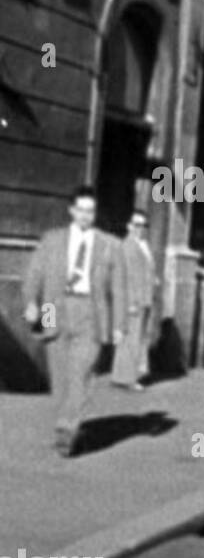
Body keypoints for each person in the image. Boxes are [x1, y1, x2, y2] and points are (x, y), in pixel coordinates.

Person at [21, 187, 126, 456]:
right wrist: (31, 303)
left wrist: (118, 325)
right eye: (80, 209)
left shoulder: (109, 245)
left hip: (90, 312)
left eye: (90, 211)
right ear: (71, 210)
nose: (85, 215)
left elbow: (119, 288)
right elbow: (35, 275)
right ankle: (63, 421)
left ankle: (67, 428)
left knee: (81, 372)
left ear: (95, 213)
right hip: (53, 308)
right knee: (58, 374)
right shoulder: (51, 240)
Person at [110, 209, 157, 390]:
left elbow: (144, 270)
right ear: (129, 226)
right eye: (137, 225)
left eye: (144, 225)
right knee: (131, 339)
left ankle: (125, 374)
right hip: (134, 300)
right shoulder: (128, 245)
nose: (140, 228)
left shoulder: (142, 245)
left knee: (136, 338)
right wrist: (130, 303)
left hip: (144, 298)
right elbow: (126, 276)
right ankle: (128, 379)